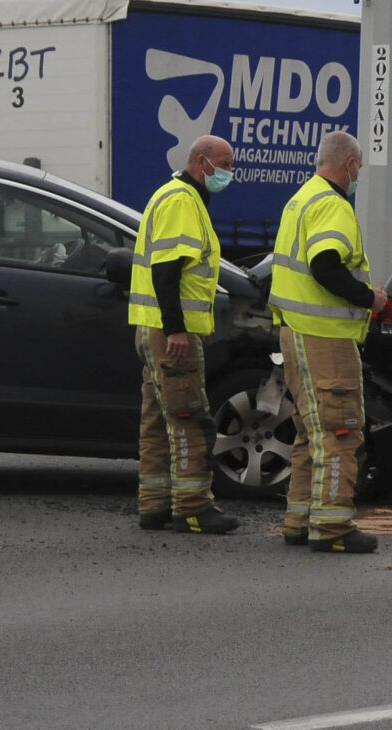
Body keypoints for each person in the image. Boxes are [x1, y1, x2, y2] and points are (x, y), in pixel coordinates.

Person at [270, 131, 387, 554]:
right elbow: (325, 266)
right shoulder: (333, 206)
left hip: (297, 332)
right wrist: (370, 299)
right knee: (340, 431)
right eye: (358, 168)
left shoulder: (301, 199)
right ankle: (333, 527)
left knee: (309, 430)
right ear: (351, 165)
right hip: (325, 338)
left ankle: (300, 520)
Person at [129, 135, 240, 535]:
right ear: (202, 162)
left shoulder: (176, 196)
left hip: (153, 329)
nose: (229, 172)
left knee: (158, 420)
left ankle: (154, 505)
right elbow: (166, 271)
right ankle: (193, 507)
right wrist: (176, 328)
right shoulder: (181, 200)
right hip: (171, 333)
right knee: (188, 414)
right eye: (225, 164)